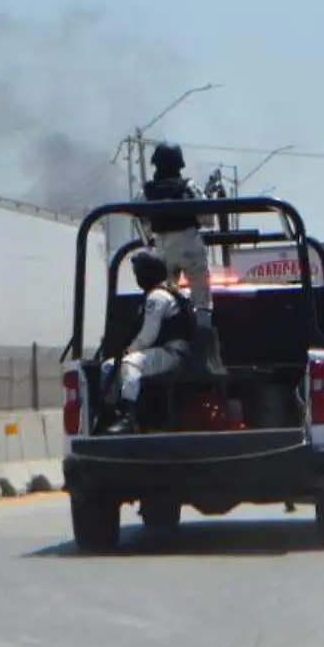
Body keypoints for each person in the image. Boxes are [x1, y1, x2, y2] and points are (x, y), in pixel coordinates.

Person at [101, 250, 196, 434]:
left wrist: (128, 352)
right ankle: (111, 413)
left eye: (138, 272)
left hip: (173, 353)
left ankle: (128, 418)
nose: (137, 277)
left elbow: (148, 336)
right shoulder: (169, 292)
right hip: (165, 352)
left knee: (129, 364)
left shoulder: (157, 297)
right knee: (108, 367)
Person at [141, 142, 214, 330]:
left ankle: (170, 334)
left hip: (162, 248)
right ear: (179, 164)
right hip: (191, 246)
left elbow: (141, 221)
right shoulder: (189, 186)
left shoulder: (146, 192)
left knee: (165, 297)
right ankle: (204, 337)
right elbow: (207, 217)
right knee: (202, 301)